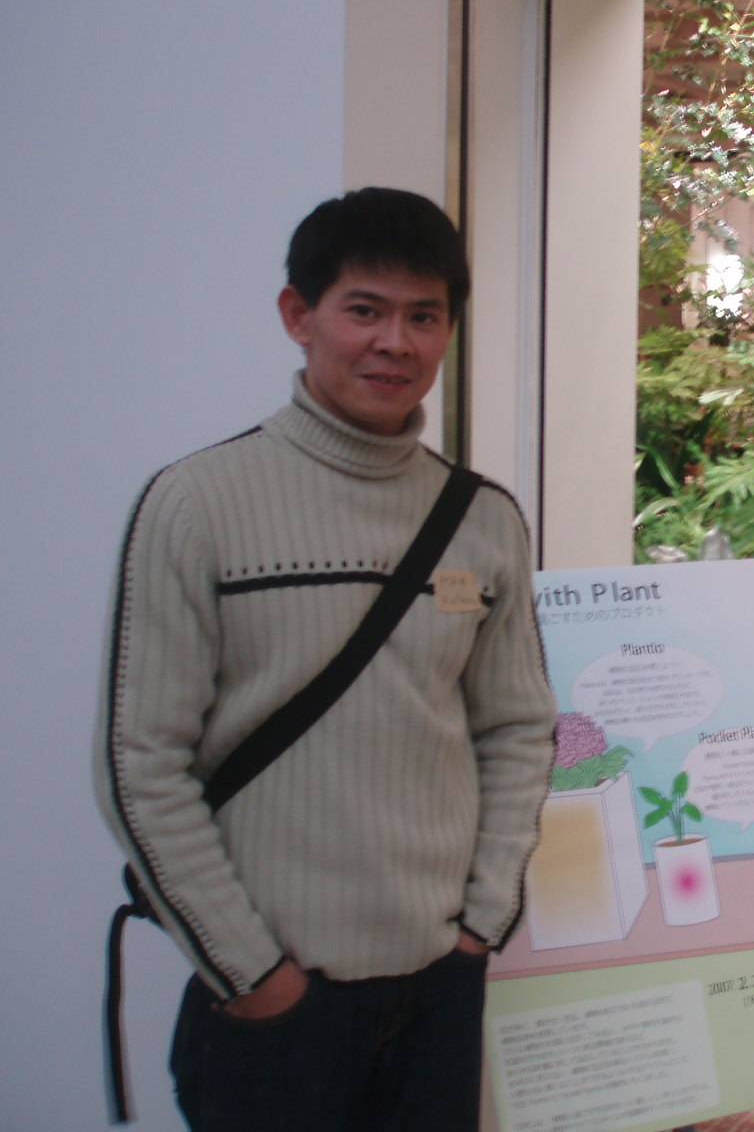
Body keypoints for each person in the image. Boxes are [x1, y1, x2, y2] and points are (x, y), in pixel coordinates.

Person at [94, 187, 556, 1131]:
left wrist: (482, 923)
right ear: (298, 316)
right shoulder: (196, 504)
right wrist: (252, 974)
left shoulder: (483, 519)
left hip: (437, 988)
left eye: (424, 316)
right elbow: (139, 765)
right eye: (365, 310)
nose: (395, 342)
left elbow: (517, 728)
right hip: (275, 1005)